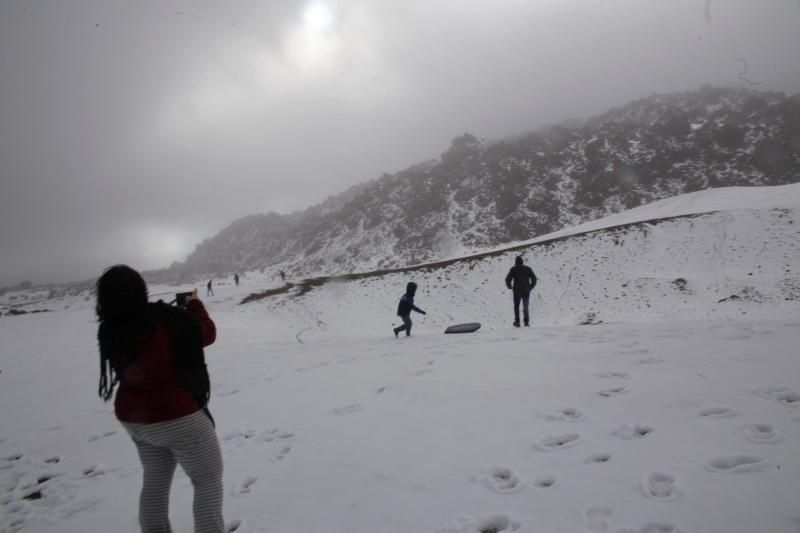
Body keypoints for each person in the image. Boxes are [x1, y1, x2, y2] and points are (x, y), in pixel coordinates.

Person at [95, 265, 225, 533]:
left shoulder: (109, 329)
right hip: (176, 415)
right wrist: (196, 306)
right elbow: (206, 333)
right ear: (141, 289)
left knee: (155, 481)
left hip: (135, 419)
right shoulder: (165, 319)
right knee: (207, 480)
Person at [505, 256, 537, 327]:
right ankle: (526, 322)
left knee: (516, 307)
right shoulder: (528, 269)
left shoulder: (513, 269)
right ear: (522, 262)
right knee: (525, 307)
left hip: (517, 291)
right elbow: (534, 278)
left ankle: (517, 322)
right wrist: (531, 286)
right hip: (526, 290)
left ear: (516, 262)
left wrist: (509, 286)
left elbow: (508, 279)